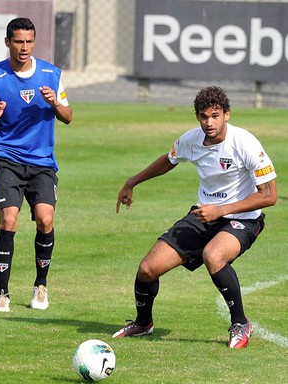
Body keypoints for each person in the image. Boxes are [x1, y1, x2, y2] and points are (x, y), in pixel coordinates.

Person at [113, 86, 277, 349]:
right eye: (203, 116)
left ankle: (240, 323)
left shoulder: (245, 143)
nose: (209, 123)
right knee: (147, 269)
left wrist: (221, 210)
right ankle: (144, 323)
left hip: (245, 219)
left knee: (213, 255)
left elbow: (269, 195)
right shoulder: (191, 140)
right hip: (203, 215)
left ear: (227, 115)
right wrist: (133, 182)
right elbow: (168, 160)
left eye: (215, 115)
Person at [0, 17, 73, 313]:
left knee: (45, 219)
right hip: (5, 157)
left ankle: (40, 285)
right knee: (8, 219)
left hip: (41, 161)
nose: (24, 47)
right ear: (8, 42)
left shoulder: (51, 74)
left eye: (29, 41)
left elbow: (69, 116)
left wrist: (55, 104)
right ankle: (2, 293)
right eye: (19, 41)